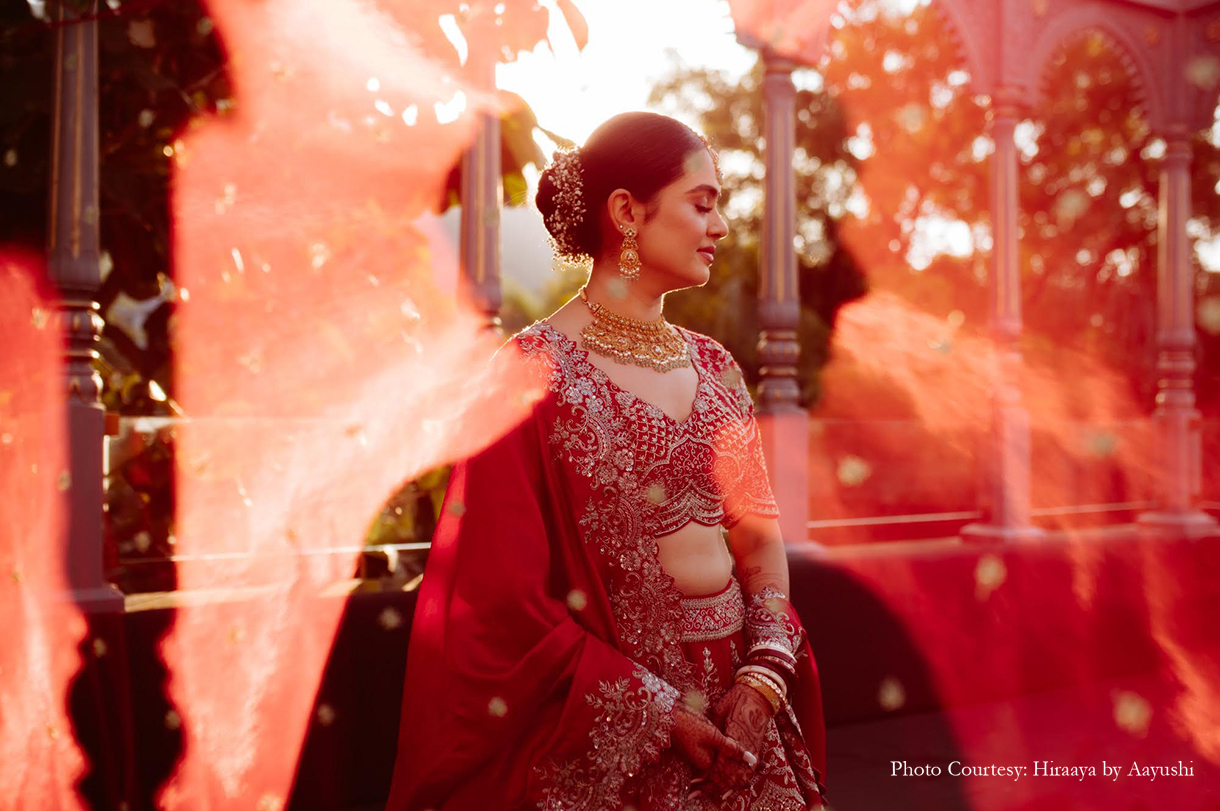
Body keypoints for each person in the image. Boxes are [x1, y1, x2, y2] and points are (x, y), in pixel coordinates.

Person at [386, 111, 827, 811]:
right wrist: (661, 712)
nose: (718, 228)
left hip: (744, 710)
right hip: (618, 724)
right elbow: (497, 597)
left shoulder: (714, 367)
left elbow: (756, 533)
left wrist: (766, 670)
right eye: (702, 203)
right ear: (627, 210)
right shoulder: (531, 375)